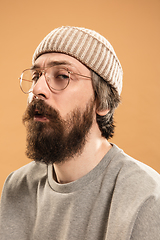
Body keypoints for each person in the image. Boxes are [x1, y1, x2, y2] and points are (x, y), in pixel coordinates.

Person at [0, 26, 160, 240]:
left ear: (102, 101)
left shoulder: (146, 196)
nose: (37, 89)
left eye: (62, 76)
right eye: (37, 75)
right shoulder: (17, 186)